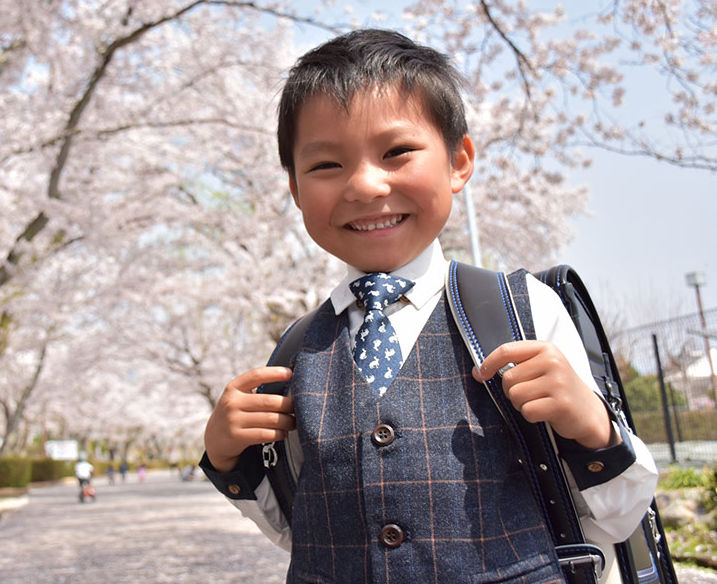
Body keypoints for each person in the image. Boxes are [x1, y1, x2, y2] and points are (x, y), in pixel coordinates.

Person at [200, 29, 658, 582]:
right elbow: (300, 530)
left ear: (459, 160)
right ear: (295, 188)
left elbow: (616, 518)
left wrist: (593, 429)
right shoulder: (298, 350)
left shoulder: (519, 311)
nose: (366, 185)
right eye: (325, 165)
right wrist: (226, 457)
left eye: (397, 152)